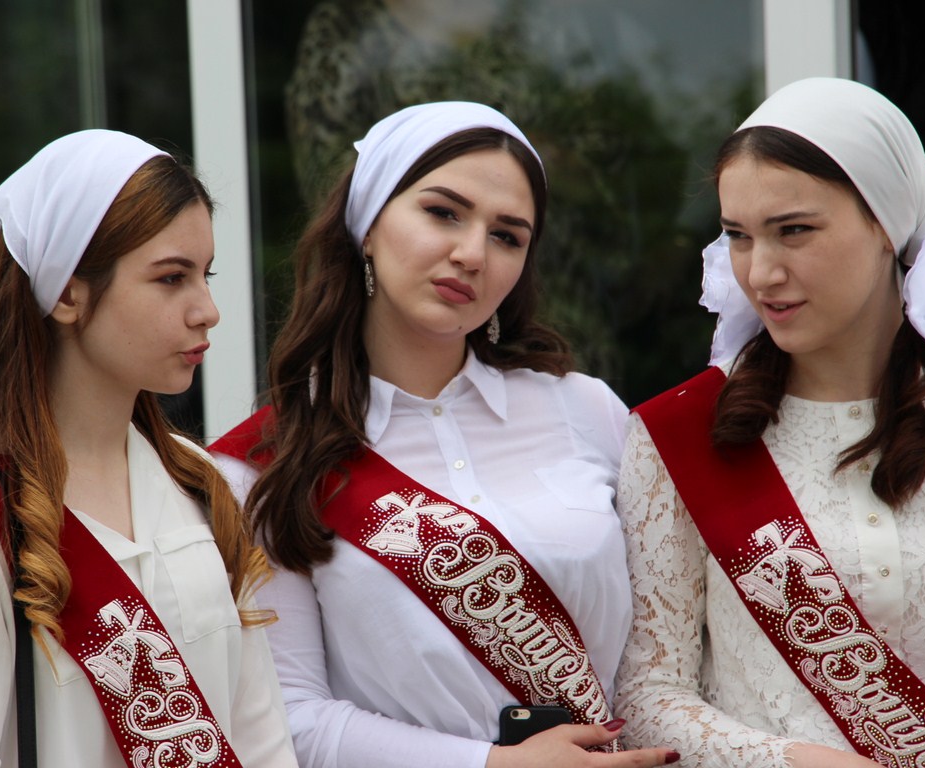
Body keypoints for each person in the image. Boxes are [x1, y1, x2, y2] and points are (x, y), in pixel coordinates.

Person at [209, 101, 680, 768]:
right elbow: (290, 719)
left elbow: (659, 660)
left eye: (507, 236)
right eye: (443, 213)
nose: (472, 254)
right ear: (367, 226)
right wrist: (492, 765)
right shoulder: (265, 464)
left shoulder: (587, 411)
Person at [0, 129, 297, 767]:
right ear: (66, 292)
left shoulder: (200, 482)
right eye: (172, 278)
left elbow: (262, 740)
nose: (208, 310)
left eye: (206, 275)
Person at [615, 77, 925, 768]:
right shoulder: (678, 434)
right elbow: (645, 695)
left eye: (794, 231)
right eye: (738, 236)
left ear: (886, 225)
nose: (761, 272)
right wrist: (794, 761)